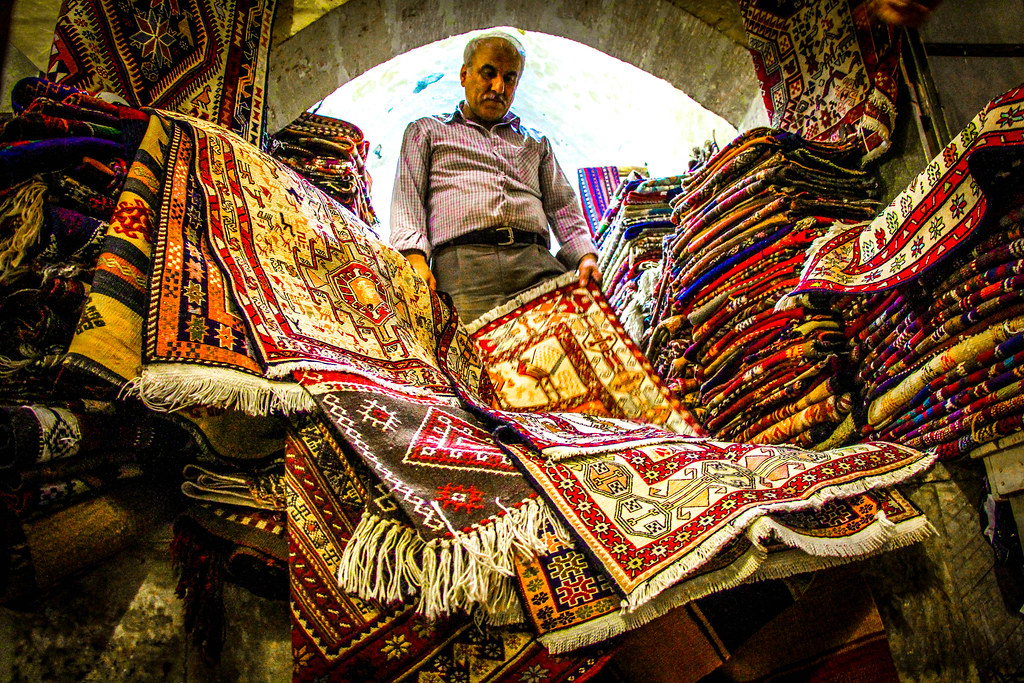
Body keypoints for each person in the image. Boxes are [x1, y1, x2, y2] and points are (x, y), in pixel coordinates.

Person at [389, 30, 601, 324]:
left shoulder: (536, 142)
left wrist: (585, 257)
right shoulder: (425, 131)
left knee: (576, 346)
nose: (498, 86)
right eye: (488, 73)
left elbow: (563, 206)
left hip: (536, 262)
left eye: (509, 78)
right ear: (464, 74)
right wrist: (414, 259)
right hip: (463, 268)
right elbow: (407, 199)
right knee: (472, 363)